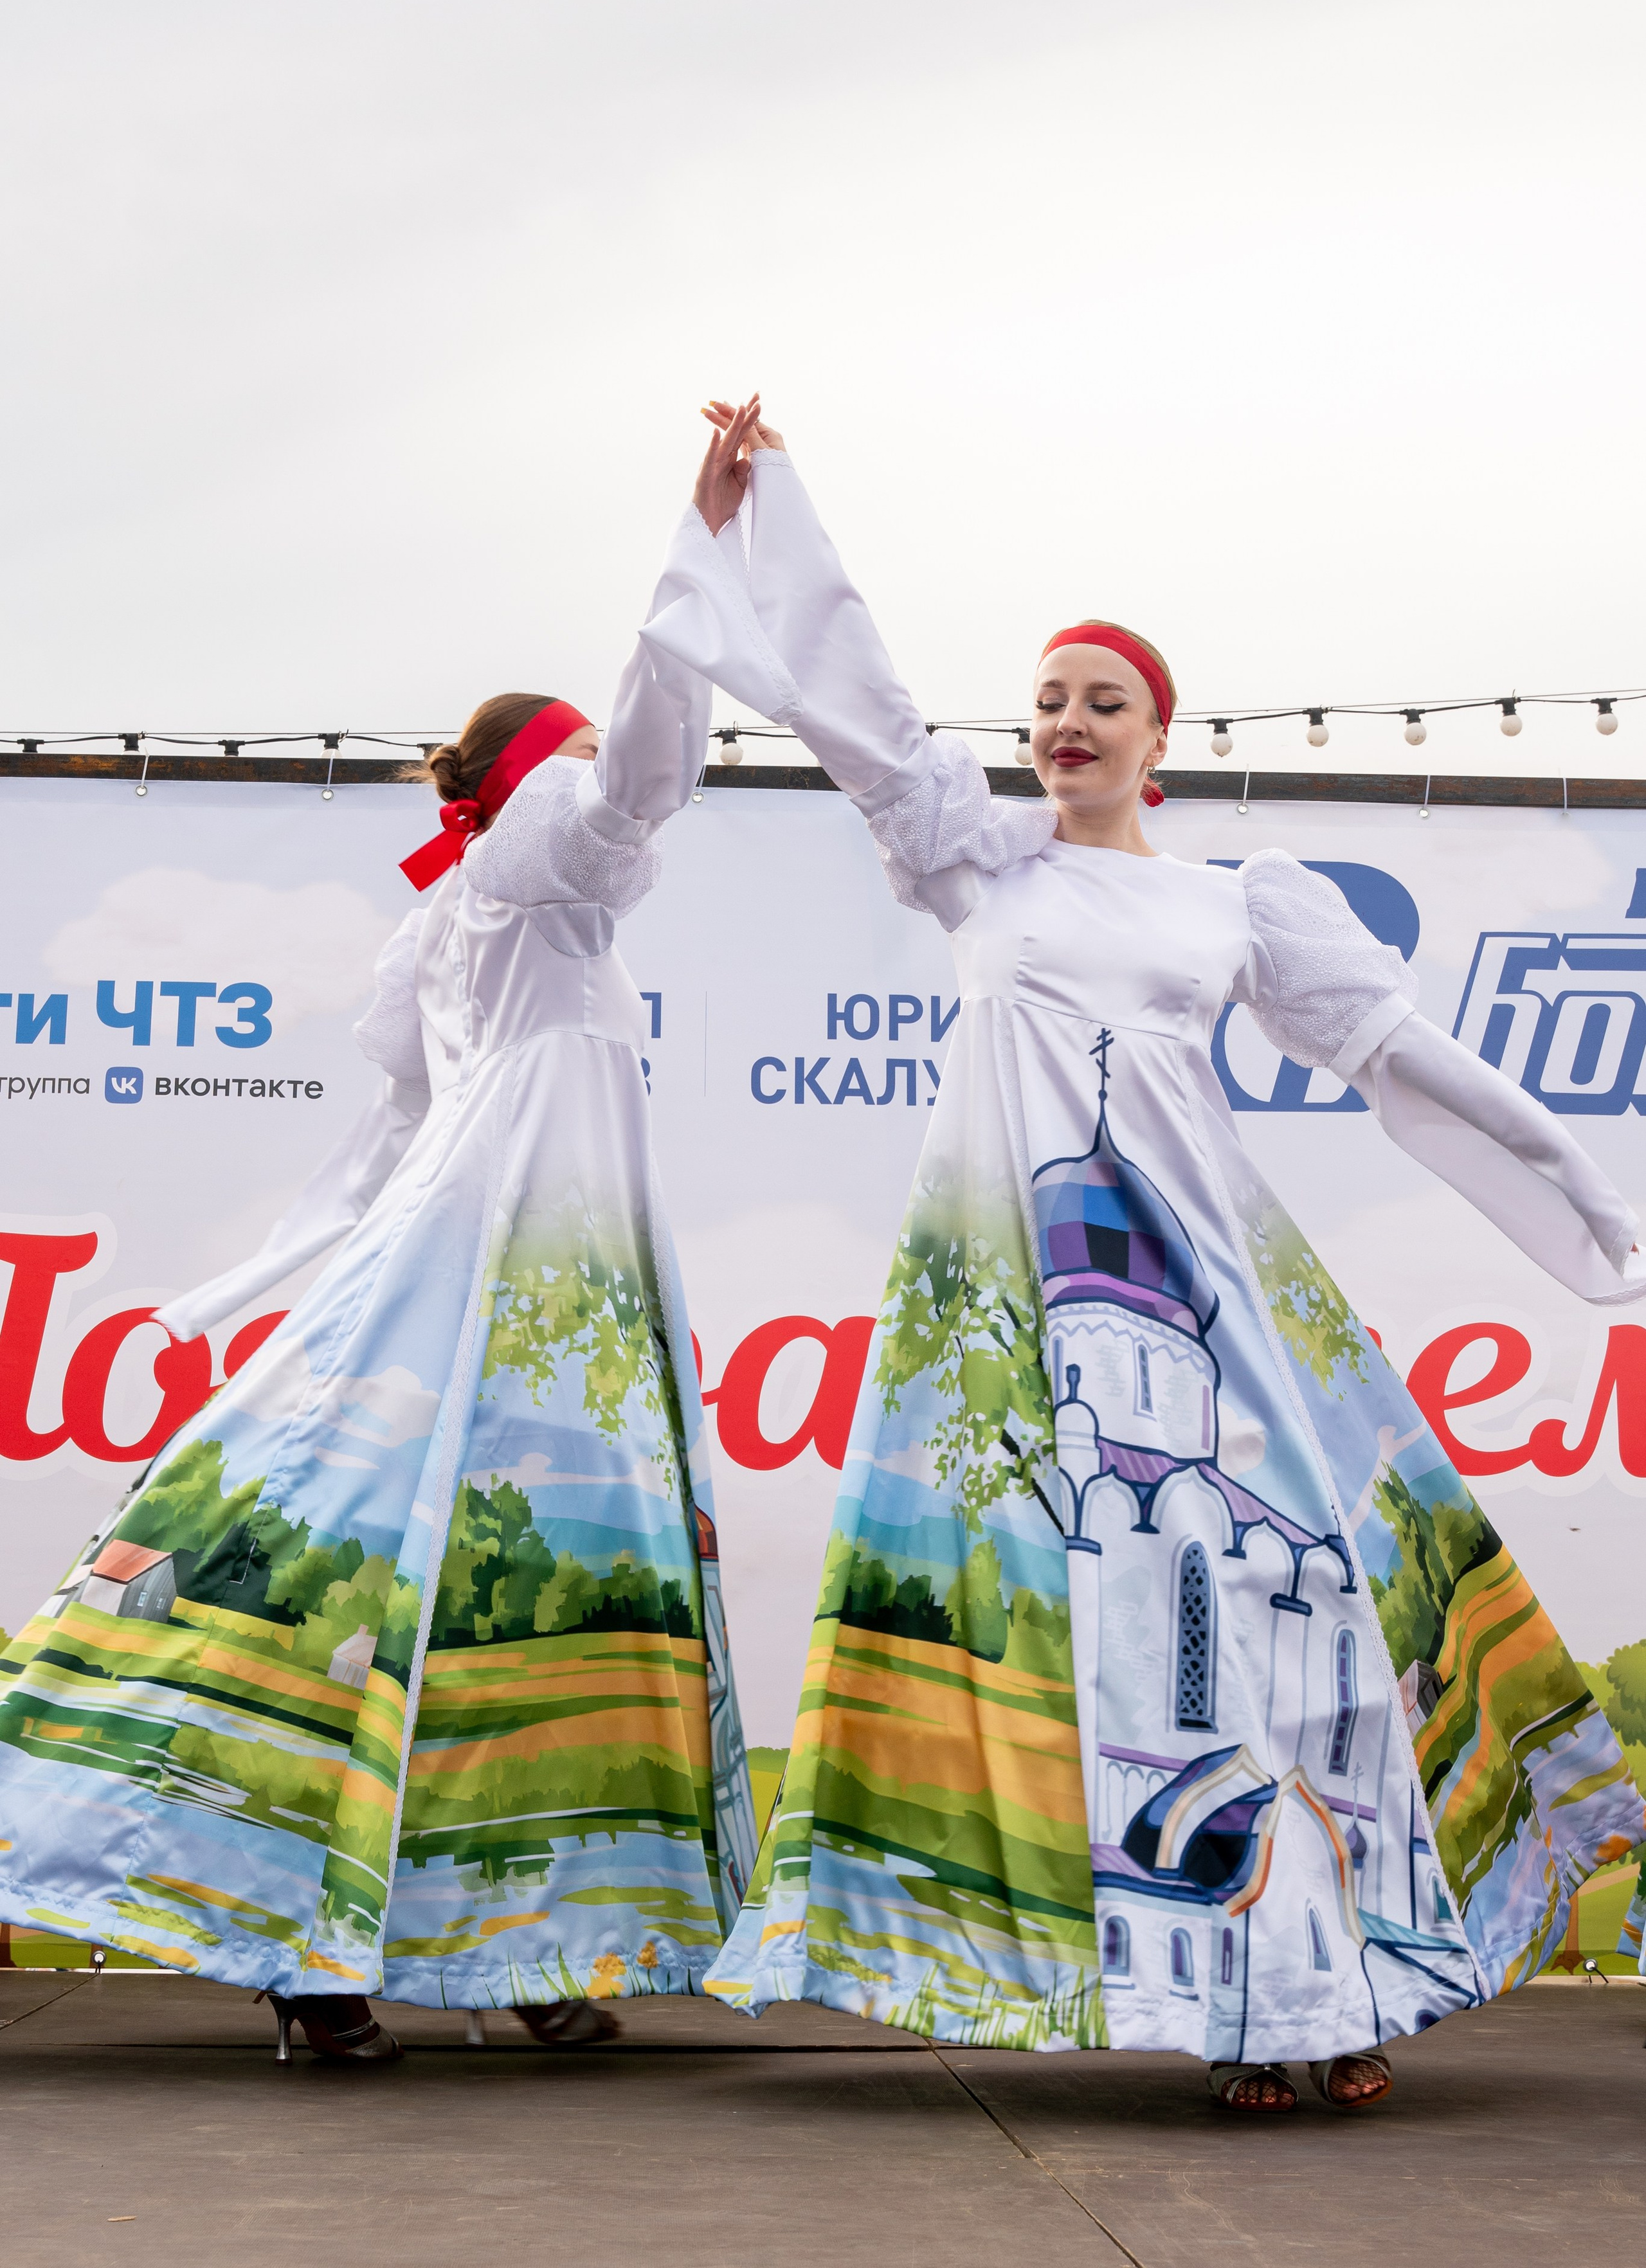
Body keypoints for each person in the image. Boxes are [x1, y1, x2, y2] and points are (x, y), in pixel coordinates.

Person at [647, 398, 1646, 2110]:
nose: (1065, 724)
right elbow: (862, 699)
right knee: (1111, 1642)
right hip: (1023, 1304)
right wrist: (754, 515)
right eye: (1044, 701)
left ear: (1155, 734)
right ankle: (1251, 2008)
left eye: (1100, 701)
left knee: (1300, 1599)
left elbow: (1403, 1054)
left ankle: (1341, 1982)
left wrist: (1582, 1189)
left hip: (1211, 1276)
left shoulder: (1231, 902)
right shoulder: (979, 868)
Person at [0, 621, 757, 2066]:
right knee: (408, 1586)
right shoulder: (539, 885)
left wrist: (316, 1262)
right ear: (537, 780)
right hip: (503, 1277)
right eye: (581, 761)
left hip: (538, 1290)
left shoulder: (479, 916)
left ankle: (497, 1951)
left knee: (499, 1614)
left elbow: (393, 1136)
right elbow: (634, 788)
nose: (610, 790)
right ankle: (335, 1954)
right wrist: (694, 594)